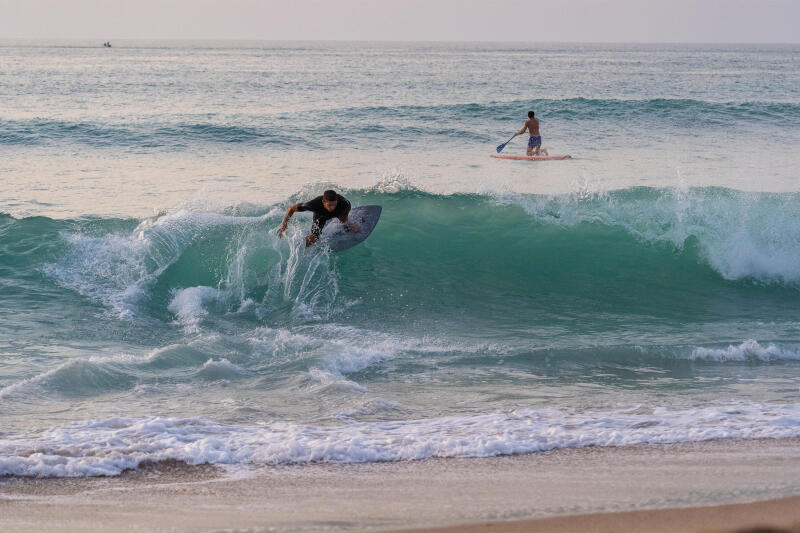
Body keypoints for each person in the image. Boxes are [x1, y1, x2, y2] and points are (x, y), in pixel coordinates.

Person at [277, 189, 360, 247]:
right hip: (321, 215)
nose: (332, 207)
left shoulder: (343, 203)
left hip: (339, 212)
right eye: (329, 205)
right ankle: (301, 246)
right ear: (323, 202)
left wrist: (344, 219)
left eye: (334, 204)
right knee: (315, 237)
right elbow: (291, 208)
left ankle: (348, 223)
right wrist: (284, 225)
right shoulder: (313, 205)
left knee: (343, 221)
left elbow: (348, 205)